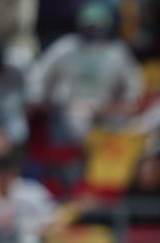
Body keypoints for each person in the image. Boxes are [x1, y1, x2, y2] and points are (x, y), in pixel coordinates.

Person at [26, 1, 143, 142]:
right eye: (90, 26)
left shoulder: (117, 52)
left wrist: (125, 104)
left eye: (99, 26)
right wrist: (39, 99)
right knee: (77, 118)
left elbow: (133, 83)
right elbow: (40, 73)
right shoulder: (67, 46)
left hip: (106, 109)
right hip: (69, 109)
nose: (94, 30)